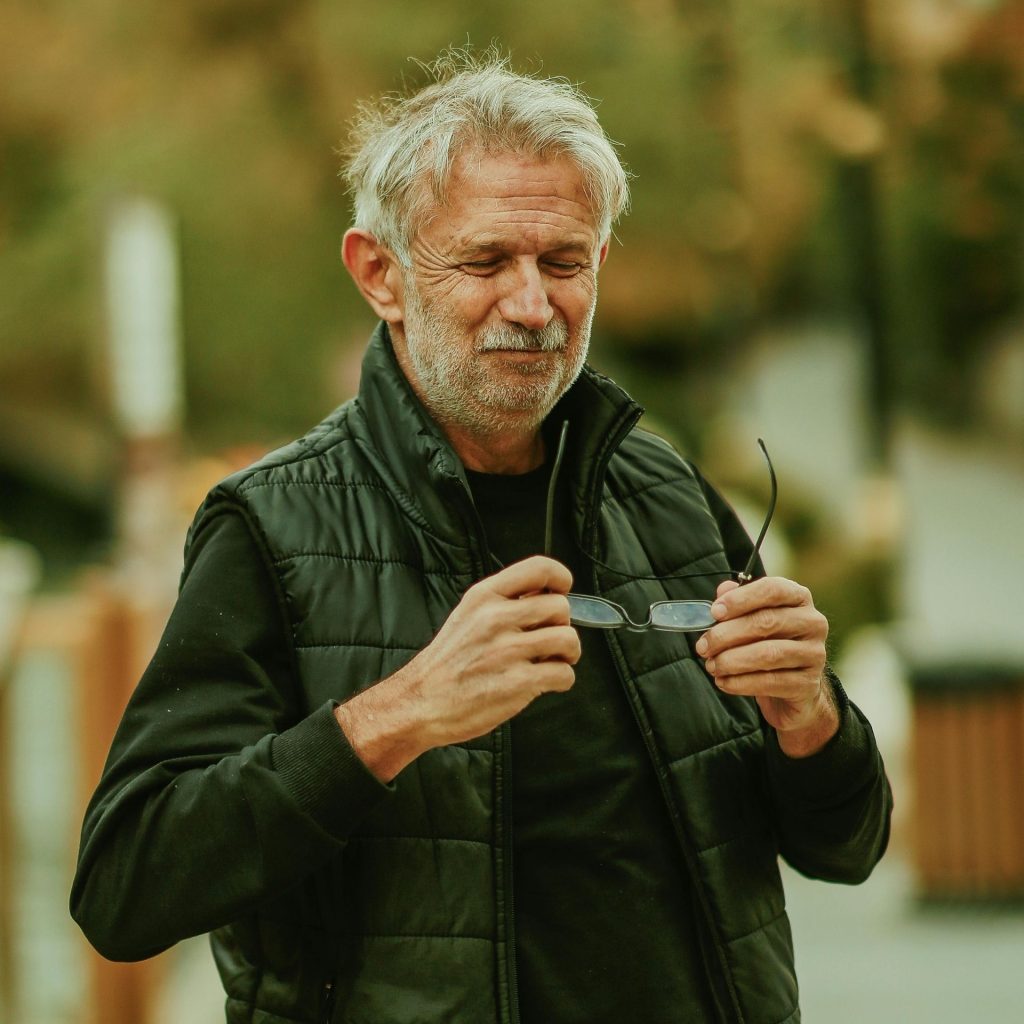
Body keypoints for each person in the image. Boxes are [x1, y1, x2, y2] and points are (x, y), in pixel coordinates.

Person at [72, 53, 892, 1024]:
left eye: (562, 262)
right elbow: (125, 889)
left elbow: (845, 847)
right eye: (484, 260)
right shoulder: (271, 526)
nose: (533, 305)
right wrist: (398, 715)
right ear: (378, 274)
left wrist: (810, 719)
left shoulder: (667, 492)